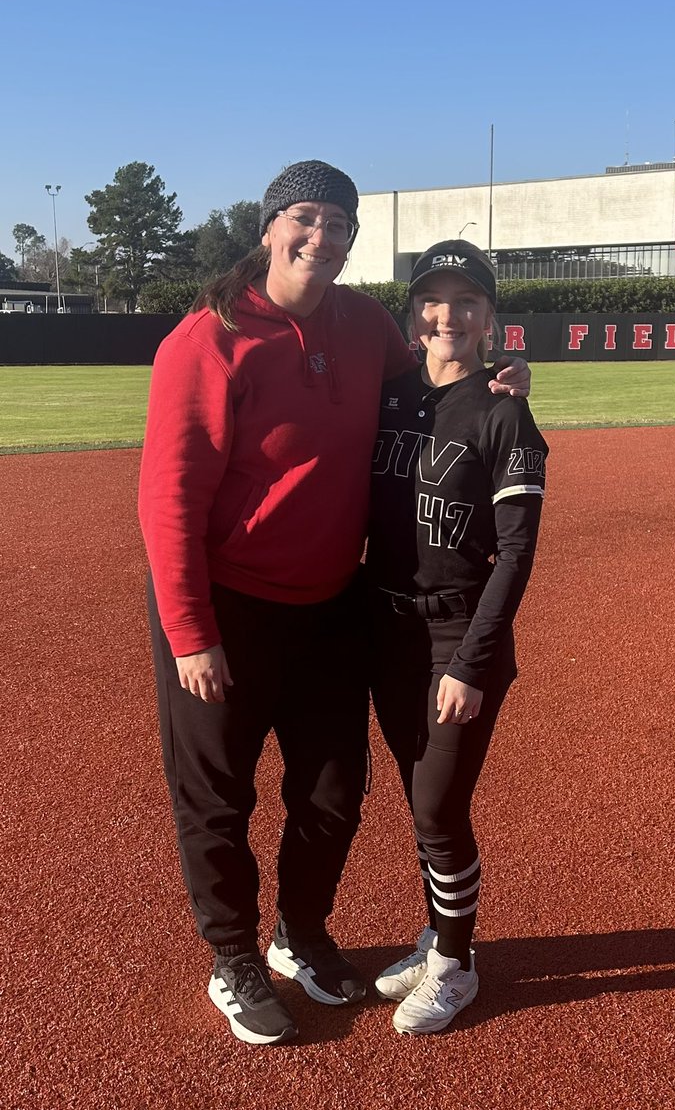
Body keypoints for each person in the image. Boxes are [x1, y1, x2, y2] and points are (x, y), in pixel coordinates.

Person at [138, 162, 530, 1047]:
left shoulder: (360, 326)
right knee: (217, 800)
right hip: (224, 609)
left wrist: (504, 373)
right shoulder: (206, 340)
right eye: (306, 219)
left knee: (332, 793)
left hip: (327, 608)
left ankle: (299, 933)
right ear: (271, 227)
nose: (323, 237)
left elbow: (435, 377)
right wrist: (191, 634)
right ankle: (233, 955)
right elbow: (167, 501)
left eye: (340, 225)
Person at [365, 239, 548, 1034]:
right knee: (418, 802)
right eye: (434, 299)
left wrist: (472, 663)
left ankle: (456, 964)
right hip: (386, 632)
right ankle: (437, 935)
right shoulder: (387, 395)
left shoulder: (505, 410)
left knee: (439, 805)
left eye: (466, 300)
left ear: (489, 316)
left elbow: (517, 552)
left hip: (457, 638)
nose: (449, 314)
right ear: (415, 312)